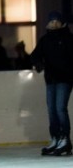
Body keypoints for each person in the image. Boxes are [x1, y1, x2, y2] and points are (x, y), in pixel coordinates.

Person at [29, 11, 73, 156]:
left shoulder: (68, 38)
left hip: (65, 79)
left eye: (56, 21)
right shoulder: (45, 40)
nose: (54, 23)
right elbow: (34, 55)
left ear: (62, 23)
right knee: (52, 110)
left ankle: (65, 139)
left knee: (60, 108)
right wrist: (38, 63)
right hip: (51, 80)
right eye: (51, 21)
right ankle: (55, 138)